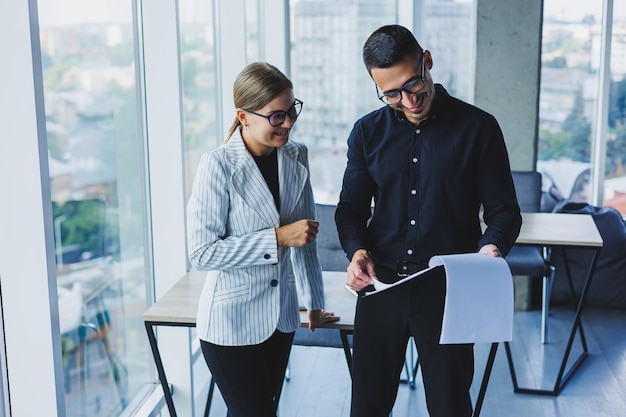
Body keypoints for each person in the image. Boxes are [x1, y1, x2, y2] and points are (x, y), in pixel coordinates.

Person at [335, 25, 522, 417]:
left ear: (428, 61)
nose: (407, 100)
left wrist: (491, 246)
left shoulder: (479, 128)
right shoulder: (367, 132)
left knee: (450, 405)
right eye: (390, 94)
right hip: (380, 286)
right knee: (366, 406)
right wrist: (356, 252)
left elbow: (505, 211)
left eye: (412, 84)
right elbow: (350, 210)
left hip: (448, 290)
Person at [187, 61, 339, 417]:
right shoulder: (217, 165)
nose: (287, 123)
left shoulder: (296, 155)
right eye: (276, 117)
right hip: (230, 324)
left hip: (282, 318)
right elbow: (202, 253)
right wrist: (276, 238)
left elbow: (306, 238)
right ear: (243, 116)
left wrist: (313, 300)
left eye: (291, 111)